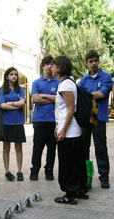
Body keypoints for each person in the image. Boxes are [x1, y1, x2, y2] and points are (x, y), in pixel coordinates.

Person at [52, 56, 88, 205]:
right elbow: (62, 110)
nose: (51, 68)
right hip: (73, 131)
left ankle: (70, 194)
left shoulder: (65, 85)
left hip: (69, 132)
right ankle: (80, 189)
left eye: (53, 65)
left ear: (60, 67)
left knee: (68, 163)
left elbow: (70, 109)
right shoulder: (69, 82)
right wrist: (58, 127)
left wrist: (62, 130)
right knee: (76, 161)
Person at [78, 50, 113, 189]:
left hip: (99, 118)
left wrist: (86, 95)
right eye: (90, 61)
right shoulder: (83, 80)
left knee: (100, 148)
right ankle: (85, 177)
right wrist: (87, 96)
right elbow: (78, 96)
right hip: (86, 119)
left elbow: (102, 94)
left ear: (99, 61)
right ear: (87, 63)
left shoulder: (106, 77)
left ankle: (104, 177)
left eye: (95, 60)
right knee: (83, 147)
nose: (93, 63)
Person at [30, 56, 59, 181]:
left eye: (52, 64)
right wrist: (52, 99)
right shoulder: (36, 82)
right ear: (43, 66)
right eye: (47, 64)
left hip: (53, 120)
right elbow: (35, 99)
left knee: (52, 147)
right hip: (39, 120)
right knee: (38, 146)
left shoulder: (58, 82)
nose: (49, 66)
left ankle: (49, 170)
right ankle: (35, 170)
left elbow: (60, 99)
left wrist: (44, 96)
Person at [0, 67, 26, 181]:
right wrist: (16, 104)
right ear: (7, 77)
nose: (14, 76)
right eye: (11, 74)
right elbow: (2, 106)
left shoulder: (21, 90)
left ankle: (19, 171)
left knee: (18, 147)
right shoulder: (2, 90)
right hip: (6, 122)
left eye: (15, 74)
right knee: (6, 148)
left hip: (18, 122)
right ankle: (7, 171)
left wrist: (10, 103)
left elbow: (22, 103)